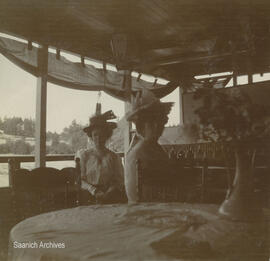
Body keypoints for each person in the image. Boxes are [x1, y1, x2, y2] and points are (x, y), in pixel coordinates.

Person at [124, 90, 174, 203]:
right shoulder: (139, 151)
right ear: (142, 125)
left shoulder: (155, 147)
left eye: (160, 122)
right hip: (144, 208)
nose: (157, 126)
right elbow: (137, 195)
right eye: (151, 122)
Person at [76, 110, 126, 204]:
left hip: (110, 196)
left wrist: (108, 193)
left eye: (102, 135)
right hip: (88, 196)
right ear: (91, 136)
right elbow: (80, 181)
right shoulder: (84, 155)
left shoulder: (114, 157)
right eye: (95, 135)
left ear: (107, 136)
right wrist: (94, 191)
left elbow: (119, 180)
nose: (98, 138)